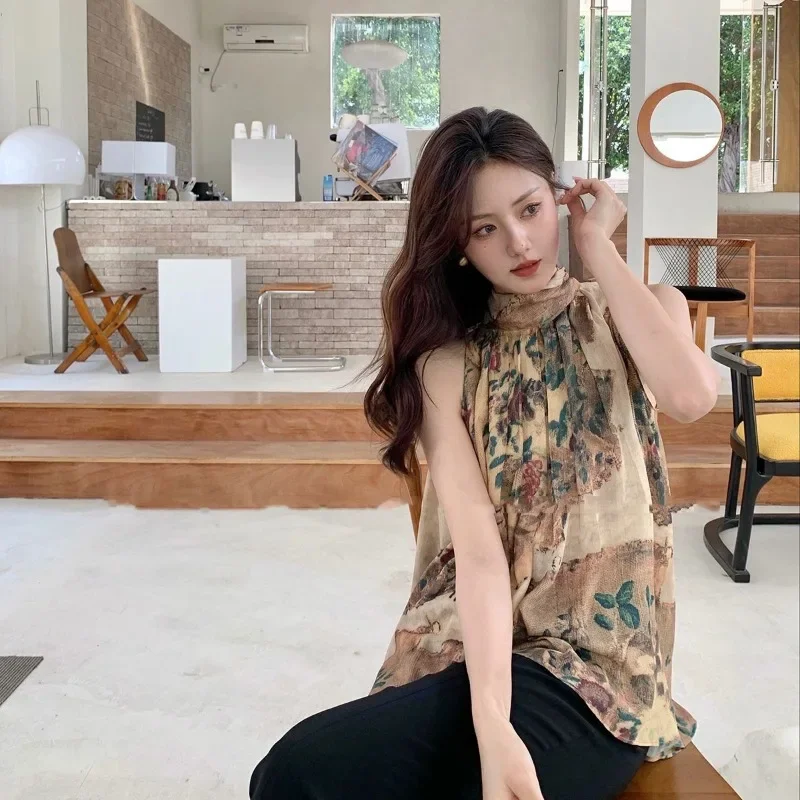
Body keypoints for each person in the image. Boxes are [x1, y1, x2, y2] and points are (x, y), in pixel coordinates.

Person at [249, 107, 719, 800]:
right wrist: (491, 723)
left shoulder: (643, 309)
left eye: (531, 209)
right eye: (485, 228)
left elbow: (691, 395)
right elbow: (478, 556)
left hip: (602, 679)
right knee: (292, 772)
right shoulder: (446, 366)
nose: (520, 242)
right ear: (459, 246)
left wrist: (597, 247)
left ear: (560, 199)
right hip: (478, 653)